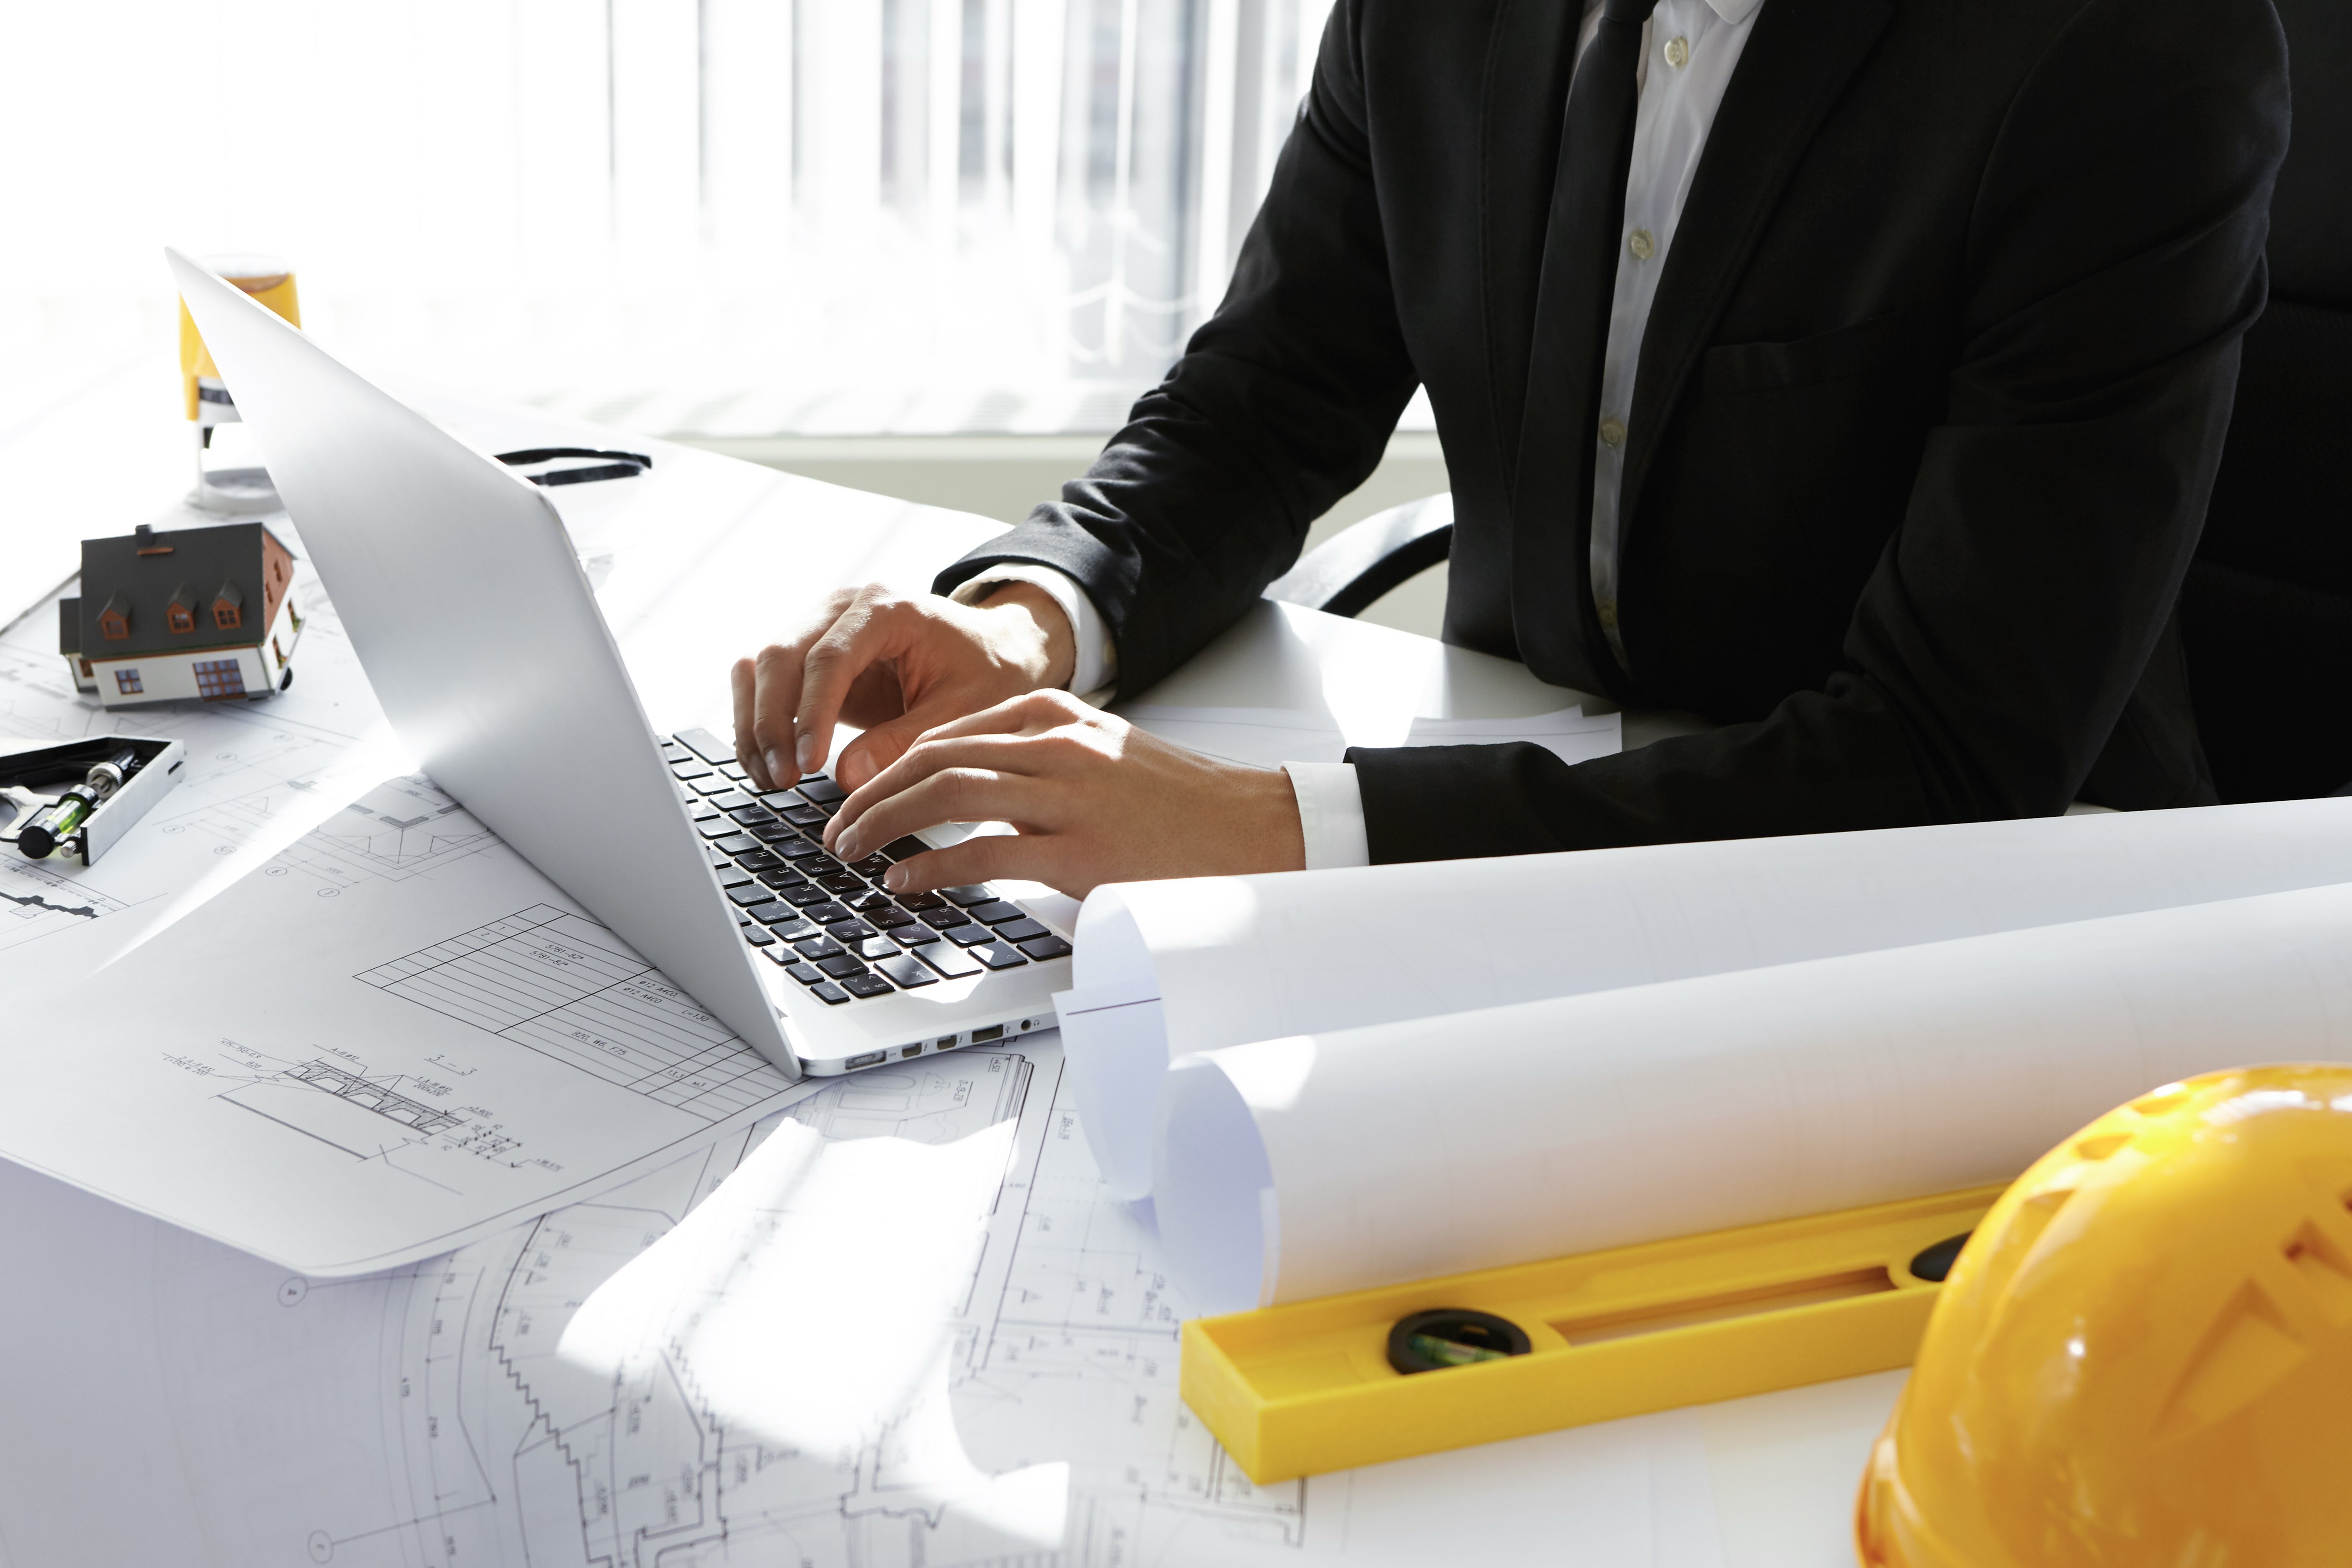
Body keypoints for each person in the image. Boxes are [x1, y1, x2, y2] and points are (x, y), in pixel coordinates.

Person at [734, 0, 2290, 899]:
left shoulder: (2125, 50)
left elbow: (1949, 754)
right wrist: (1036, 619)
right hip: (1520, 800)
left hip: (1947, 899)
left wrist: (1273, 826)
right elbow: (1272, 389)